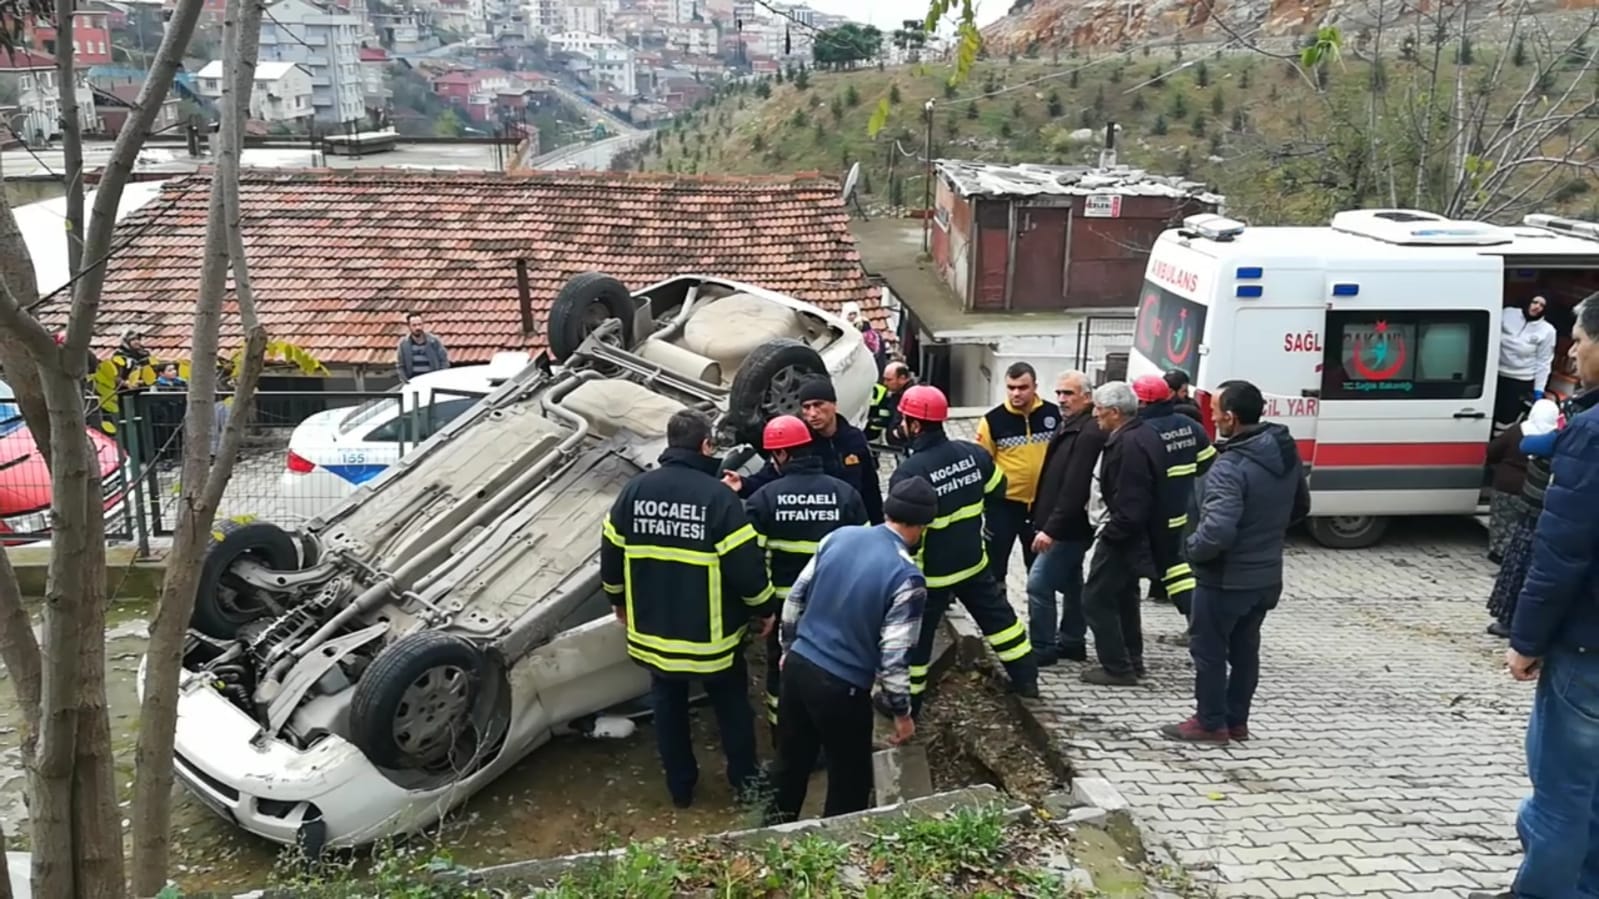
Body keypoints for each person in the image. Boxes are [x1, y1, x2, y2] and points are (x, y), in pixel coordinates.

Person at [1479, 292, 1599, 899]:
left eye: (1579, 338)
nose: (1572, 350)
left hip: (1586, 650)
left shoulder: (1591, 432)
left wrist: (1526, 640)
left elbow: (1563, 552)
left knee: (1560, 794)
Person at [600, 409, 774, 809]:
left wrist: (618, 601)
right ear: (706, 446)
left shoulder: (634, 491)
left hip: (653, 636)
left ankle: (681, 789)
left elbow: (610, 555)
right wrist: (765, 607)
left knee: (668, 710)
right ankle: (745, 784)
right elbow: (746, 570)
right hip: (710, 641)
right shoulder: (718, 499)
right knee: (732, 708)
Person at [769, 477, 935, 823]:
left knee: (789, 766)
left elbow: (794, 600)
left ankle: (768, 840)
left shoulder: (839, 536)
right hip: (841, 687)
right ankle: (836, 852)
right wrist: (902, 714)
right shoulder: (907, 577)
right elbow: (893, 657)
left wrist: (788, 649)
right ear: (920, 526)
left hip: (799, 666)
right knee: (849, 780)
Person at [1159, 380, 1309, 743]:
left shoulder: (1230, 466)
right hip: (1266, 577)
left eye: (1215, 414)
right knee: (1245, 652)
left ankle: (1210, 723)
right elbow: (1301, 507)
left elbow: (1217, 533)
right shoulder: (1285, 453)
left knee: (1208, 651)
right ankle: (1237, 721)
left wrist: (1191, 549)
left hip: (1225, 579)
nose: (1213, 420)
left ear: (1231, 417)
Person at [891, 384, 1038, 708]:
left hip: (931, 574)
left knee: (917, 641)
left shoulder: (910, 472)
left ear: (914, 425)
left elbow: (901, 530)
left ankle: (908, 705)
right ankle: (1027, 679)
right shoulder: (973, 454)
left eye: (904, 418)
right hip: (973, 561)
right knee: (1000, 621)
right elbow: (1000, 488)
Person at [744, 415, 868, 737]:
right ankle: (829, 738)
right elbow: (865, 555)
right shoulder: (845, 495)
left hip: (785, 611)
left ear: (782, 455)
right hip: (835, 607)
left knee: (781, 672)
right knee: (833, 669)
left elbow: (752, 563)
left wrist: (764, 610)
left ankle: (783, 737)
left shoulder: (763, 500)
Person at [1079, 381, 1168, 686]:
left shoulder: (1128, 445)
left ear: (1115, 413)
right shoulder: (1144, 434)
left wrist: (1111, 534)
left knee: (1095, 598)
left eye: (1100, 411)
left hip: (1123, 535)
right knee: (1125, 596)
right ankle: (1133, 659)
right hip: (1136, 534)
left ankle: (1116, 666)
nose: (1096, 417)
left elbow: (1131, 501)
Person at [1026, 370, 1106, 665]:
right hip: (1062, 523)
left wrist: (1051, 528)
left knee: (1038, 584)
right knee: (1072, 583)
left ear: (1087, 397)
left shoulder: (1088, 433)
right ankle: (1072, 641)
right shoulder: (1070, 426)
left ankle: (1042, 648)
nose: (1061, 399)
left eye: (1068, 394)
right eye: (1059, 393)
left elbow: (1074, 487)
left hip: (1068, 528)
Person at [727, 377, 884, 524]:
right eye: (806, 407)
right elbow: (769, 476)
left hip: (850, 521)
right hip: (817, 521)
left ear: (834, 404)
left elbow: (870, 487)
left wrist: (878, 526)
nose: (812, 413)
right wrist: (743, 484)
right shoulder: (798, 440)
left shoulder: (854, 439)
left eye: (818, 405)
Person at [1133, 374, 1215, 624]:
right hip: (1179, 511)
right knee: (1175, 566)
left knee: (1124, 572)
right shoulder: (1190, 425)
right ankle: (1199, 618)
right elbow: (1206, 462)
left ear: (1142, 402)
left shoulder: (1142, 431)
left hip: (1149, 514)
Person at [974, 362, 1060, 581]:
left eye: (1022, 387)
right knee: (995, 565)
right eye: (1011, 387)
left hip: (1041, 505)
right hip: (1004, 505)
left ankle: (1037, 610)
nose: (1016, 393)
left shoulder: (1054, 415)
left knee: (1039, 568)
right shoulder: (993, 421)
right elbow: (983, 463)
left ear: (1035, 386)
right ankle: (997, 610)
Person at [1485, 399, 1562, 639]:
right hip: (1541, 517)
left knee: (1518, 569)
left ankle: (1509, 620)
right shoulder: (1560, 442)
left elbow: (1496, 451)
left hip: (1526, 512)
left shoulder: (1529, 439)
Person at [1495, 296, 1558, 434]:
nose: (1537, 307)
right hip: (1495, 373)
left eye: (1542, 305)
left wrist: (1539, 390)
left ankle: (1499, 443)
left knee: (1506, 418)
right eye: (1534, 302)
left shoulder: (1547, 330)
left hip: (1520, 378)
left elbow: (1544, 361)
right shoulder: (1507, 313)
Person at [865, 361, 914, 448]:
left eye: (889, 380)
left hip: (905, 446)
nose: (885, 383)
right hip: (896, 444)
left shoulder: (912, 397)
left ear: (902, 378)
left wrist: (897, 433)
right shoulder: (895, 394)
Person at [397, 312, 449, 382]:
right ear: (409, 326)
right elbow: (400, 365)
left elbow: (444, 361)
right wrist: (405, 381)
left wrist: (440, 377)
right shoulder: (404, 344)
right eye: (414, 325)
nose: (418, 328)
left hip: (432, 381)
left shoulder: (433, 341)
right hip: (413, 382)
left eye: (419, 324)